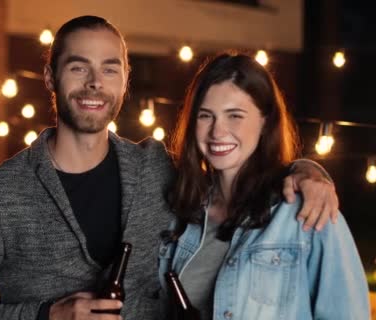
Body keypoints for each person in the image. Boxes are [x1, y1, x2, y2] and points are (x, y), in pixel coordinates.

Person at [0, 16, 338, 320]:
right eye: (78, 67)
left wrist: (305, 169)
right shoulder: (1, 192)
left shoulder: (156, 167)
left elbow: (235, 168)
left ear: (126, 79)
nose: (95, 83)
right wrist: (46, 315)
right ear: (50, 77)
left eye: (110, 68)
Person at [158, 53, 369, 319]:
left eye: (235, 115)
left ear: (265, 121)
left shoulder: (309, 211)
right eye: (205, 116)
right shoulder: (181, 216)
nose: (217, 131)